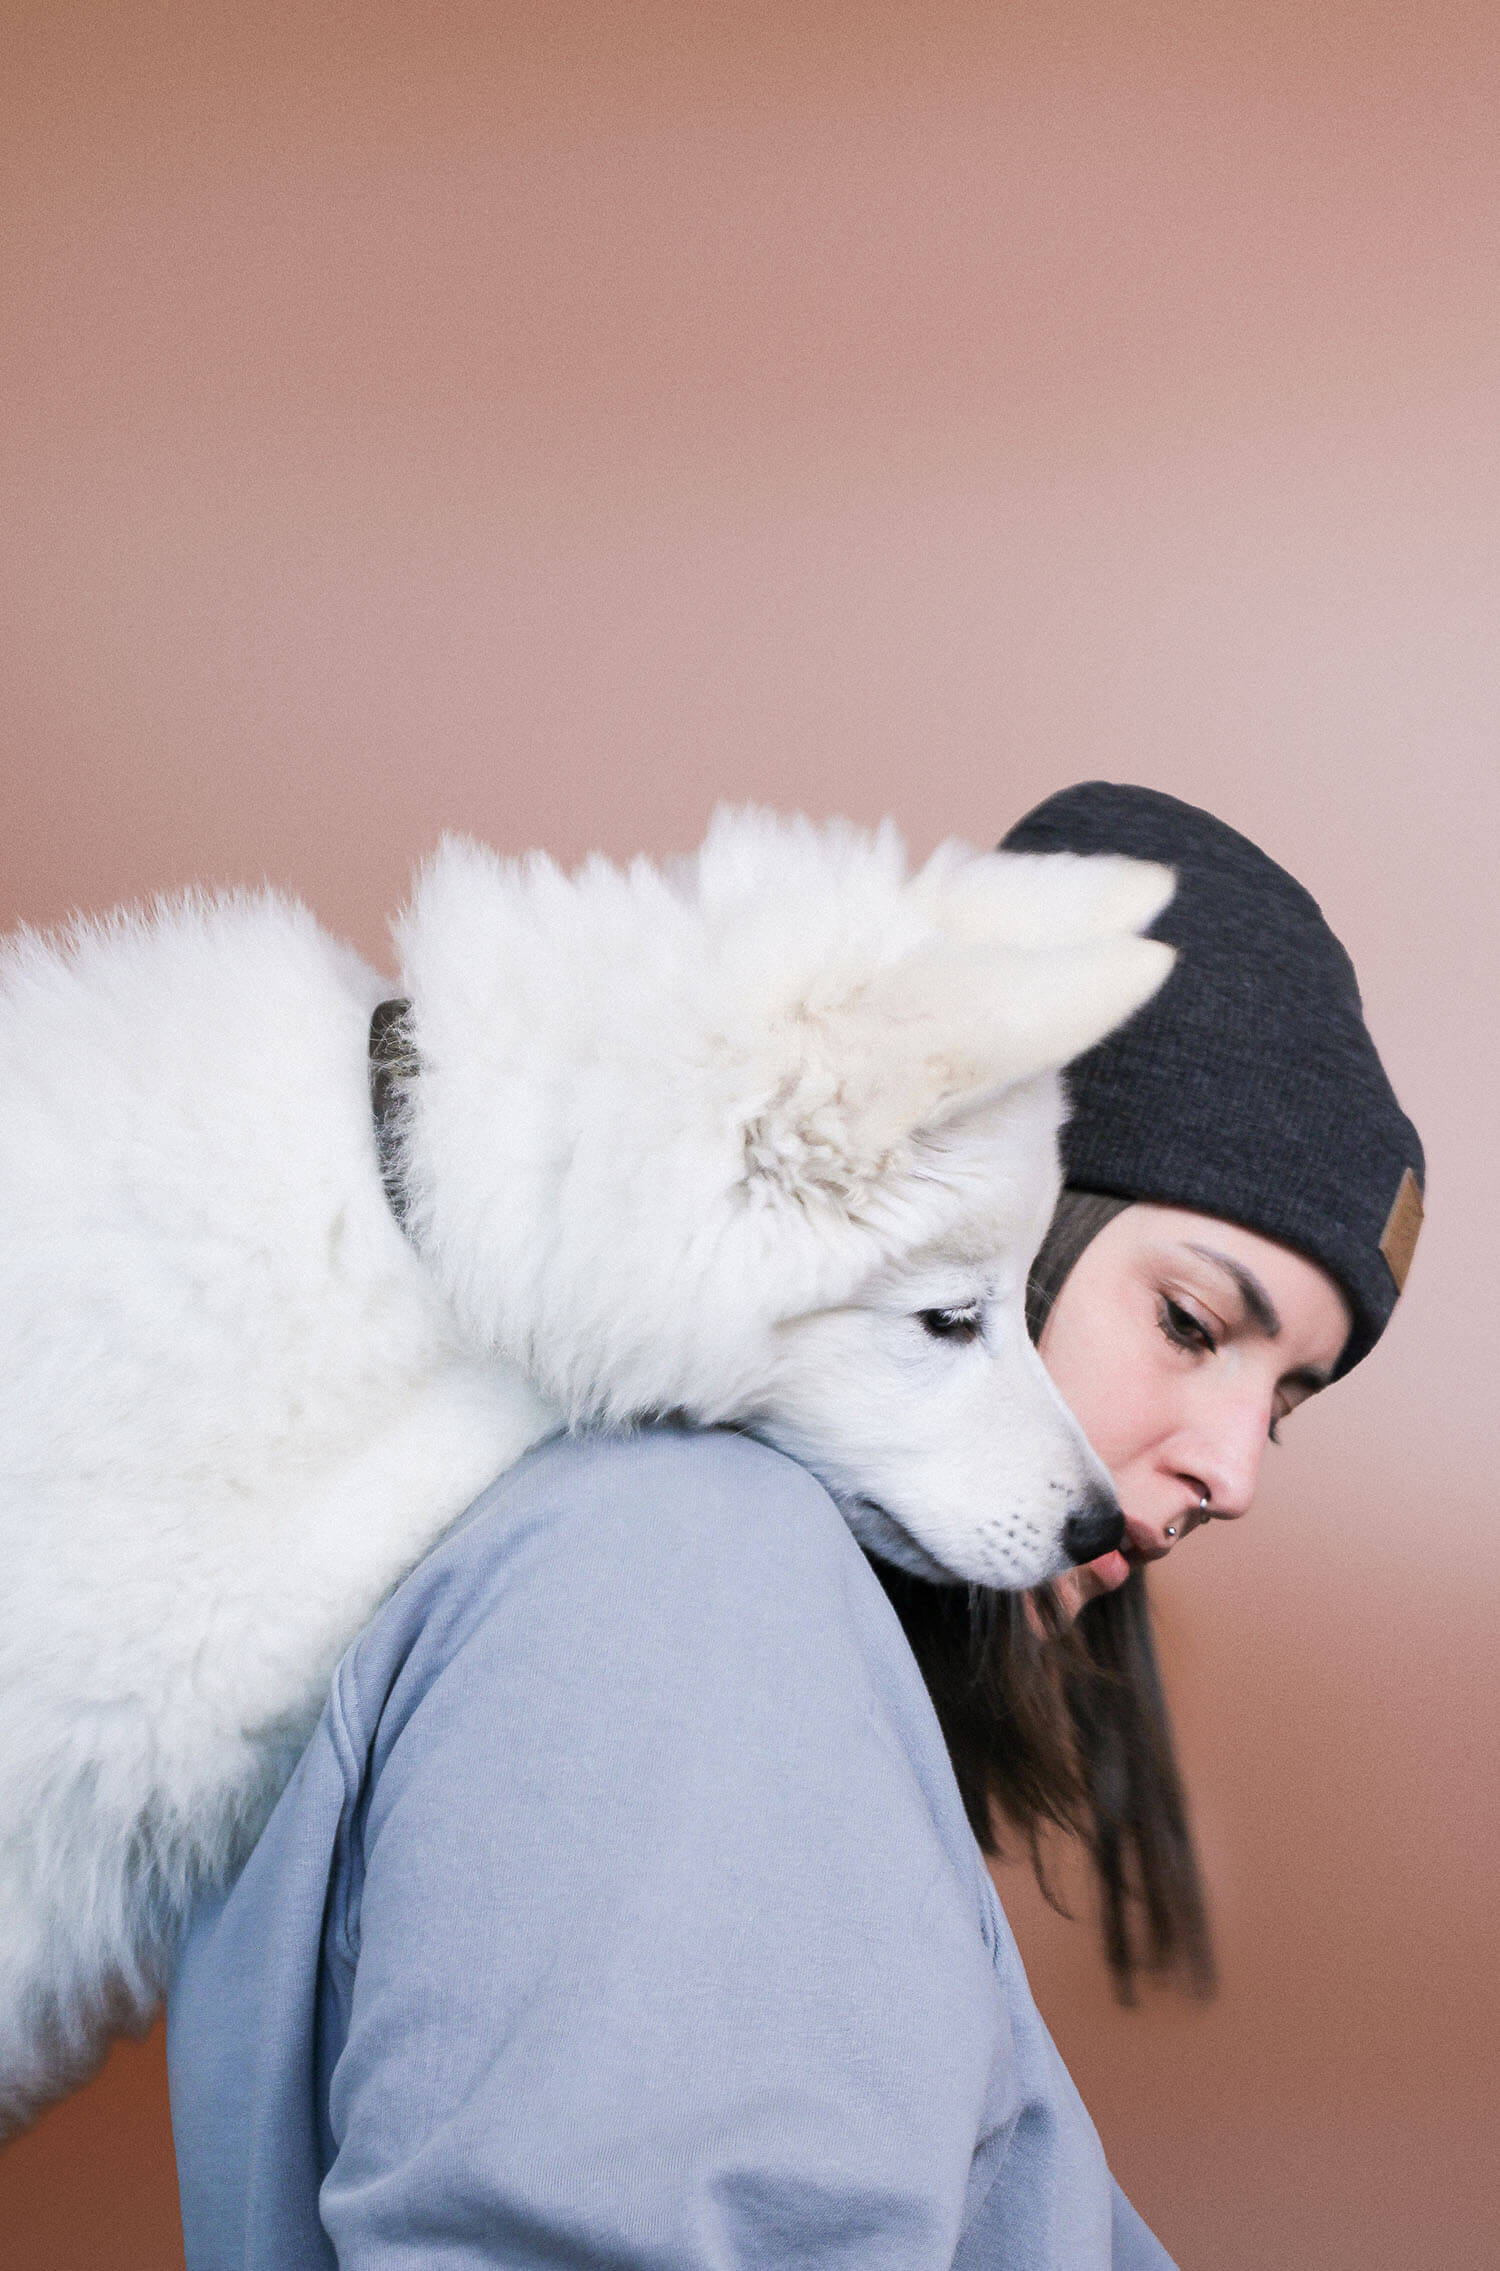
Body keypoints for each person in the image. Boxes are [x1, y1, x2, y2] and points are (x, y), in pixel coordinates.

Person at [165, 784, 1423, 2269]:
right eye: (1191, 1321)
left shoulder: (703, 1595)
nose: (1234, 1473)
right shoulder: (681, 1566)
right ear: (983, 1195)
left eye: (1285, 1402)